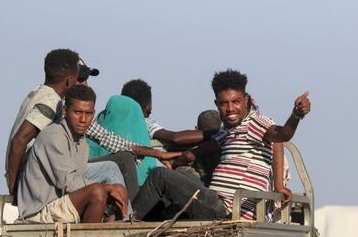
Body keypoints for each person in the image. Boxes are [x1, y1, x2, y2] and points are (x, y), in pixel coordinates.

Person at [131, 69, 310, 221]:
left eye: (236, 102)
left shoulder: (255, 123)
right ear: (217, 104)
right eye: (224, 103)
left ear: (246, 100)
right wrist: (174, 162)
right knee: (172, 185)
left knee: (159, 176)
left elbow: (282, 135)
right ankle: (143, 225)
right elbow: (192, 154)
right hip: (214, 203)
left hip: (227, 211)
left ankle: (125, 227)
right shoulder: (227, 133)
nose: (230, 108)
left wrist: (296, 115)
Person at [6, 50, 127, 200]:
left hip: (41, 170)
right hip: (37, 176)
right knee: (110, 170)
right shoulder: (50, 102)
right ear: (70, 81)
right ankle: (126, 220)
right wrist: (14, 187)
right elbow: (19, 140)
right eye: (79, 78)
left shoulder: (39, 93)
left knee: (107, 168)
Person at [17, 84, 128, 223]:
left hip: (61, 203)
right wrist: (108, 188)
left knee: (120, 191)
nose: (83, 120)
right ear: (65, 111)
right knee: (98, 191)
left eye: (88, 114)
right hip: (40, 211)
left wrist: (113, 189)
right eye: (77, 112)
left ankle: (111, 235)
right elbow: (69, 183)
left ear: (93, 113)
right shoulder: (53, 136)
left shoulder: (82, 143)